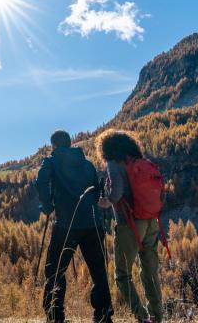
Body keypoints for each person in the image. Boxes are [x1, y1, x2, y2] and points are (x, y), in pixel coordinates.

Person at [36, 129, 113, 323]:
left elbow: (41, 181)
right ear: (70, 143)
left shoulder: (50, 161)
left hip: (66, 224)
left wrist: (47, 206)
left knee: (54, 270)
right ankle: (103, 315)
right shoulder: (87, 165)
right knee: (98, 270)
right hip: (92, 223)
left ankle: (55, 316)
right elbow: (96, 193)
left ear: (53, 145)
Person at [96, 130, 163, 323]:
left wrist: (105, 201)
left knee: (122, 275)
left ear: (106, 148)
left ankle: (142, 318)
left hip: (130, 224)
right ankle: (156, 317)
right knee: (150, 271)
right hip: (152, 221)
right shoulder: (138, 161)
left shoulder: (113, 163)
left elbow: (116, 193)